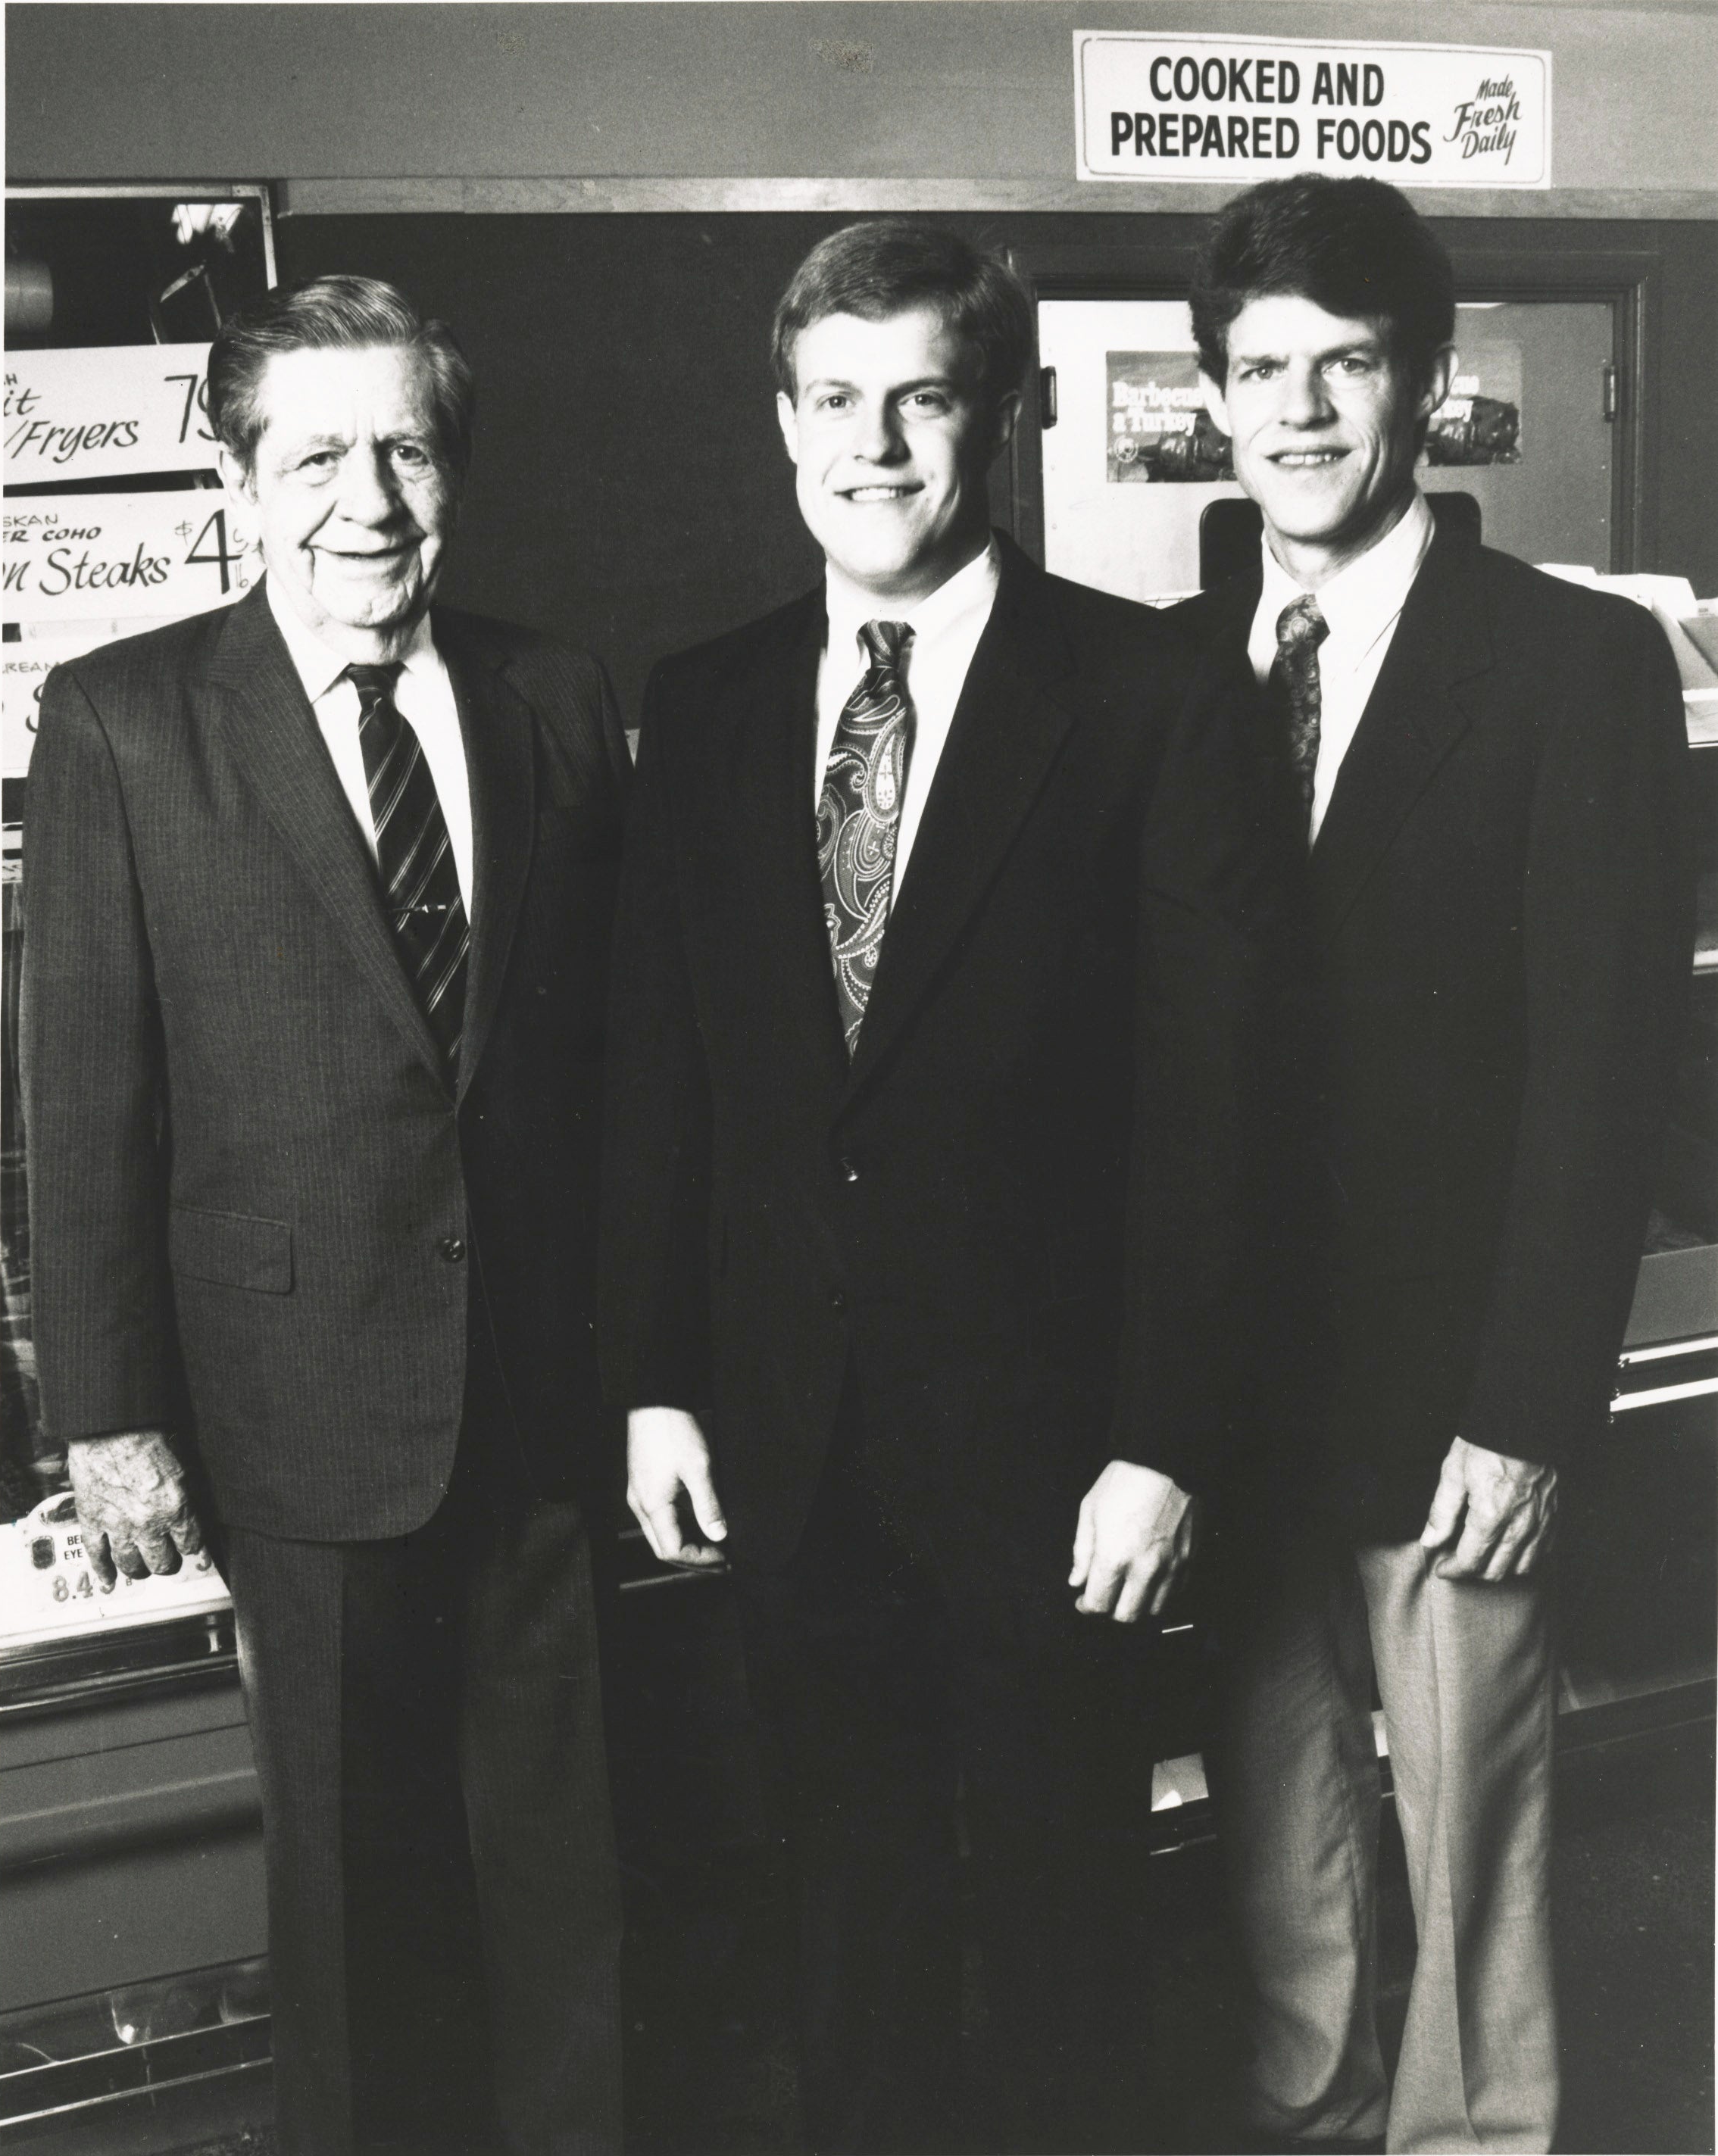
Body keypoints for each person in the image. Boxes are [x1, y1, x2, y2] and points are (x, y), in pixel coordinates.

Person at [598, 218, 1276, 2154]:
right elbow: (669, 1072)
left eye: (923, 398)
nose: (874, 445)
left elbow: (1216, 1114)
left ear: (1003, 415)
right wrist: (652, 1373)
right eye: (833, 400)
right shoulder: (711, 701)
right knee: (848, 1937)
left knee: (1063, 1931)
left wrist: (1163, 1437)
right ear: (782, 423)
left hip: (1058, 1459)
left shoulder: (1152, 693)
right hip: (792, 1444)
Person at [20, 276, 628, 2156]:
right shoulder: (126, 721)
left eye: (407, 448)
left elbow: (617, 1063)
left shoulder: (554, 692)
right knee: (361, 1911)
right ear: (241, 472)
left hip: (540, 1394)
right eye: (315, 454)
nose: (364, 497)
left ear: (454, 469)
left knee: (567, 1887)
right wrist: (110, 1417)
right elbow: (86, 1094)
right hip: (293, 1399)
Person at [1175, 175, 1692, 2154]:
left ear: (1431, 384)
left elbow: (1602, 1074)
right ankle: (1308, 2098)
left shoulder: (1569, 665)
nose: (1298, 410)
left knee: (1472, 1819)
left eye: (1344, 363)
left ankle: (1478, 2136)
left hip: (1455, 1397)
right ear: (1216, 400)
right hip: (1238, 1397)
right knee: (1275, 1819)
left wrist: (1528, 1410)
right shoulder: (1167, 669)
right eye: (1258, 370)